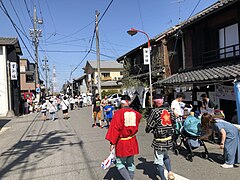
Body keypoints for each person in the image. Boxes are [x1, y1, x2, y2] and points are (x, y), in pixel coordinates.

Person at [105, 95, 142, 180]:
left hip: (122, 142)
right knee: (130, 162)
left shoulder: (118, 113)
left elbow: (115, 129)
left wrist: (112, 143)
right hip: (132, 140)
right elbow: (139, 118)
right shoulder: (136, 113)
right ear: (129, 102)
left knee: (119, 163)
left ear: (121, 103)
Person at [145, 94, 175, 180]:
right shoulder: (169, 110)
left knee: (159, 160)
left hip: (159, 139)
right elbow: (174, 122)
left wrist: (148, 129)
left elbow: (150, 125)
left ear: (155, 102)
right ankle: (170, 172)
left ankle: (163, 178)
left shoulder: (155, 111)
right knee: (166, 156)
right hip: (169, 138)